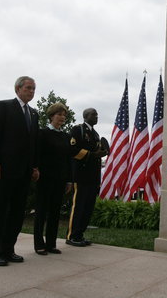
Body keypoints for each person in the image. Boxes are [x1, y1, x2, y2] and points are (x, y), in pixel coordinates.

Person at [0, 76, 39, 266]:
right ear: (18, 89)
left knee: (16, 212)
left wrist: (34, 166)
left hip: (23, 172)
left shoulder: (34, 114)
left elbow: (33, 144)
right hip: (3, 169)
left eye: (33, 89)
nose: (31, 91)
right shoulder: (3, 106)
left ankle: (7, 249)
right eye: (28, 88)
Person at [33, 103, 74, 255]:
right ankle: (39, 244)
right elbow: (37, 154)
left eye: (64, 115)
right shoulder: (42, 133)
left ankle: (51, 243)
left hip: (61, 179)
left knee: (55, 212)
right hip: (45, 178)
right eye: (59, 114)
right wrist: (35, 169)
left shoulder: (66, 136)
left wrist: (69, 180)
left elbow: (68, 159)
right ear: (51, 116)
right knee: (41, 212)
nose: (62, 117)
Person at [66, 108, 108, 246]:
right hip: (81, 175)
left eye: (97, 114)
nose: (96, 116)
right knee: (78, 206)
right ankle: (72, 236)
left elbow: (97, 152)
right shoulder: (78, 130)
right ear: (85, 116)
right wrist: (92, 155)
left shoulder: (95, 134)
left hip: (93, 176)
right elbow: (72, 150)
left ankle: (80, 235)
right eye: (93, 114)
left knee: (88, 207)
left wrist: (102, 152)